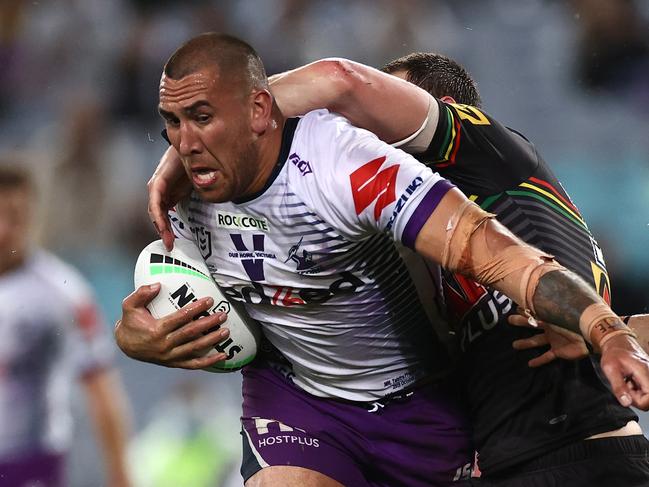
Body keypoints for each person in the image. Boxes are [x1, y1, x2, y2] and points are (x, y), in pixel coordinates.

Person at [115, 33, 649, 487]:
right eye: (174, 122)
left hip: (569, 451)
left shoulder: (487, 158)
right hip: (487, 452)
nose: (360, 130)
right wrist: (604, 326)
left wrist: (599, 327)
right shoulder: (416, 248)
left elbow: (343, 81)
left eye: (384, 111)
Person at [0, 164, 133, 487]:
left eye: (15, 216)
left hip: (29, 464)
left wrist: (121, 475)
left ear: (32, 216)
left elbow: (102, 390)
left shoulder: (63, 292)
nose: (3, 229)